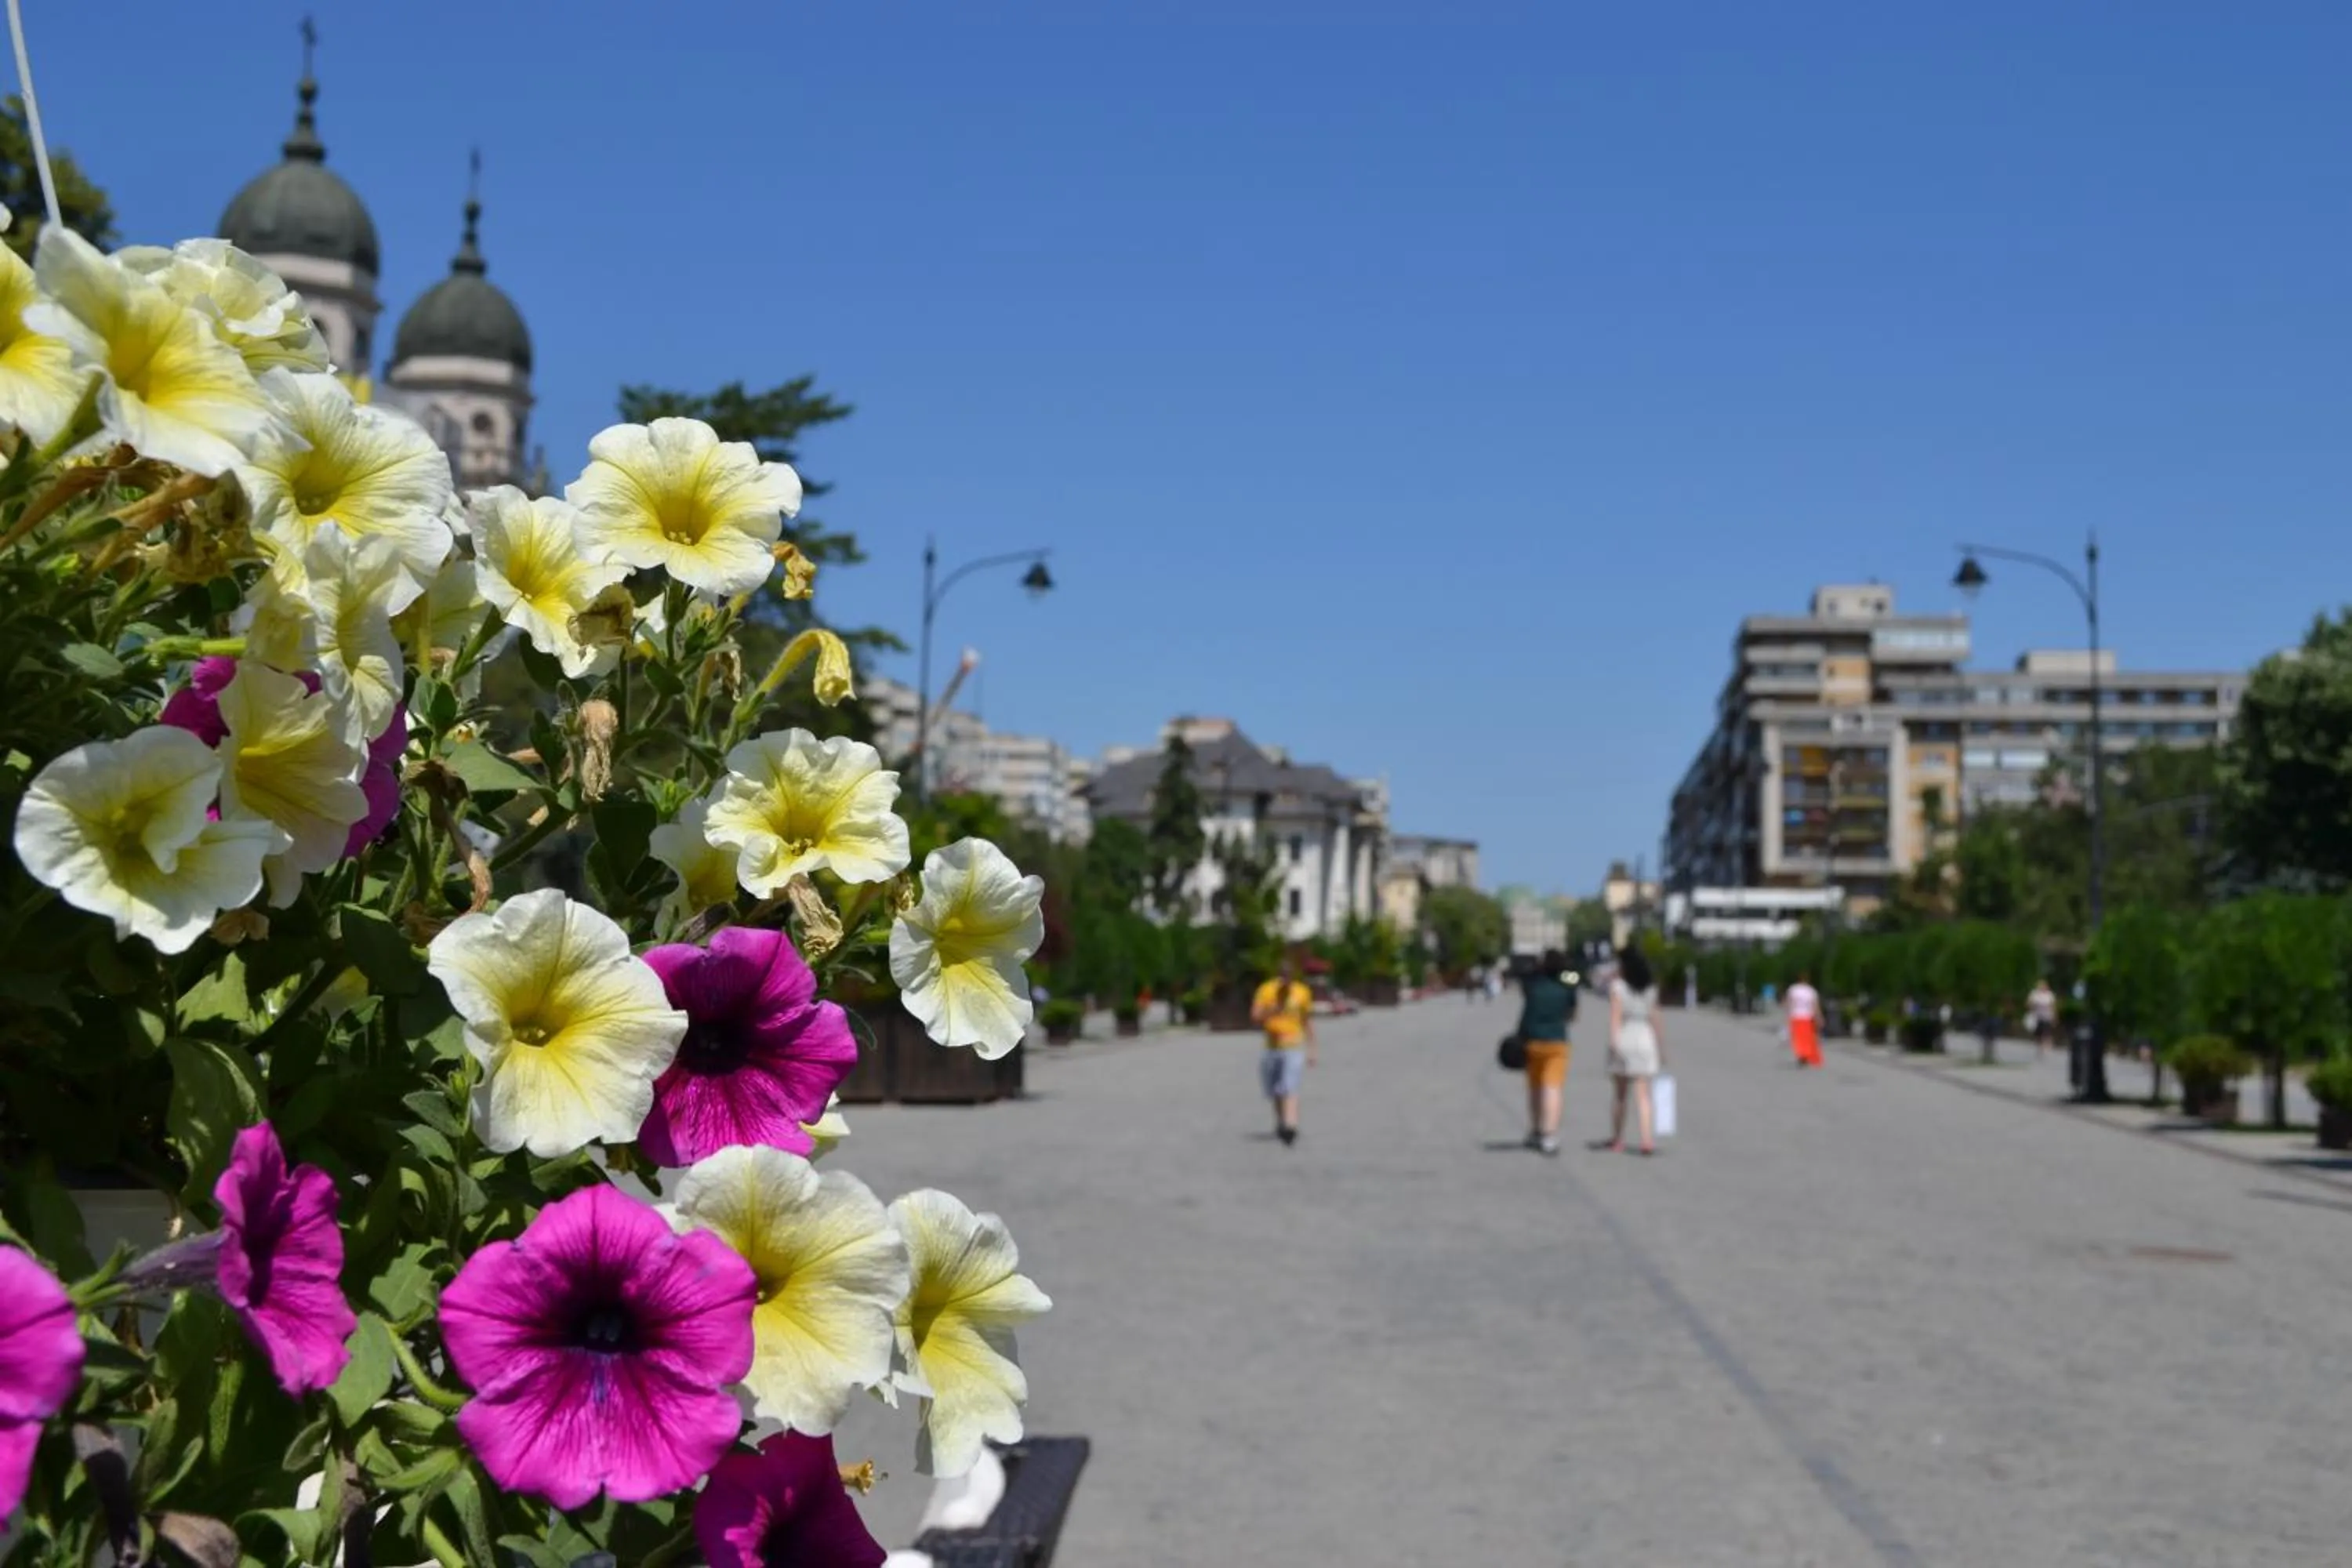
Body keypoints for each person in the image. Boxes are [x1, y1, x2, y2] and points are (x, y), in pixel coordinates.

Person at [1602, 946, 1666, 1155]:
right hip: (1645, 1039)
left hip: (1625, 1038)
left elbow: (1615, 1017)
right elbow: (1656, 1019)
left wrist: (1613, 1045)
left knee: (1620, 1095)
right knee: (1644, 1095)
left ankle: (1618, 1139)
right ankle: (1647, 1139)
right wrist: (1661, 1046)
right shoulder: (1650, 989)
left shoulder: (1617, 987)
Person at [1514, 949, 1577, 1156]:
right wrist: (1564, 971)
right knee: (1553, 1087)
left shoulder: (1534, 983)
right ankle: (1550, 1134)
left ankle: (1536, 1130)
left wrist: (1539, 968)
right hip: (1557, 1041)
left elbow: (1523, 977)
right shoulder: (1566, 983)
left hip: (1532, 1040)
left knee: (1535, 1088)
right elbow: (1575, 986)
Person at [1252, 958, 1317, 1147]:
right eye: (1282, 976)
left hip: (1293, 1045)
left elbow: (1307, 1021)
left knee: (1290, 1086)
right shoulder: (1266, 991)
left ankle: (1291, 1125)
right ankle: (1281, 1122)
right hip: (1271, 1046)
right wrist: (1273, 1009)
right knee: (1275, 1090)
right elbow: (1255, 1016)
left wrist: (1312, 1048)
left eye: (1288, 976)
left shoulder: (1302, 993)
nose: (1285, 980)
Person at [1784, 972, 1823, 1069]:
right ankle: (1805, 1054)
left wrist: (1788, 1014)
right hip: (1808, 1016)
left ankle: (1801, 1054)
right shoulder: (1811, 991)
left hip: (1796, 1016)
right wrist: (1819, 1017)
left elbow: (1789, 1003)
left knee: (1798, 1037)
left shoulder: (1793, 989)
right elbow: (1815, 1005)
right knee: (1807, 1037)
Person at [2026, 978, 2058, 1059]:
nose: (2043, 987)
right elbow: (2028, 1004)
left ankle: (2046, 1048)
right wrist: (2032, 1005)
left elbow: (2053, 1006)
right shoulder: (2035, 994)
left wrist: (2054, 1017)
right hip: (2038, 1017)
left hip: (2047, 1017)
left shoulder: (2050, 995)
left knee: (2047, 1033)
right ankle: (2039, 1048)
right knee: (2038, 1034)